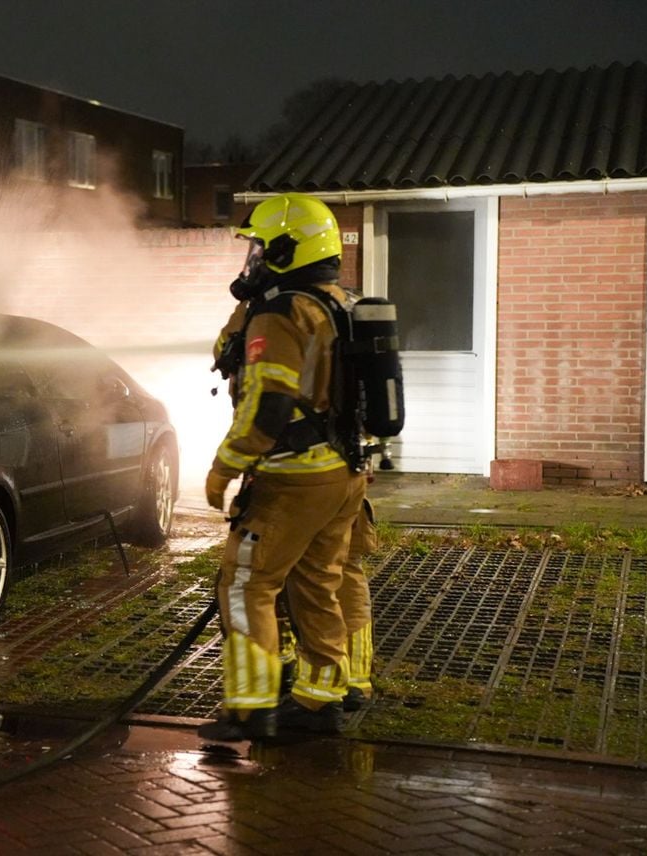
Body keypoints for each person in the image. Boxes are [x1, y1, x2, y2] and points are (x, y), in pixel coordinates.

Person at [199, 192, 368, 741]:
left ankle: (250, 705)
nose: (250, 259)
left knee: (247, 582)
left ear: (286, 249)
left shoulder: (281, 312)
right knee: (319, 583)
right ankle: (321, 700)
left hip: (296, 478)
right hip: (344, 473)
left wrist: (225, 466)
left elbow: (268, 404)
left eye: (258, 248)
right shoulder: (337, 302)